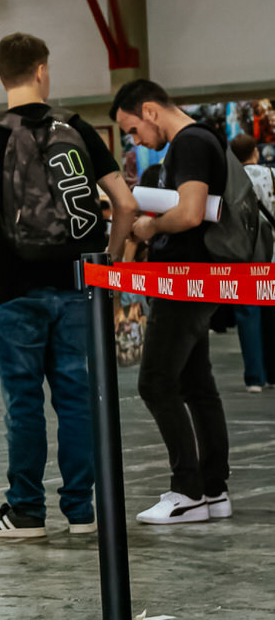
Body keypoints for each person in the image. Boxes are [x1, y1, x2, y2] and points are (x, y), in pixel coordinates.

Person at [0, 33, 135, 541]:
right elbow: (126, 205)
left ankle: (26, 512)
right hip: (79, 282)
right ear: (42, 70)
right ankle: (82, 511)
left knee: (23, 402)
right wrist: (107, 261)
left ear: (1, 75)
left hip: (13, 289)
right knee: (77, 397)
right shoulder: (78, 128)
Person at [111, 79, 235, 523]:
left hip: (185, 281)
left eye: (132, 129)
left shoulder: (190, 143)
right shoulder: (200, 140)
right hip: (194, 280)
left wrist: (151, 226)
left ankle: (188, 490)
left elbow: (190, 211)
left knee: (156, 382)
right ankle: (213, 489)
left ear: (150, 111)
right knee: (196, 383)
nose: (135, 140)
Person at [231, 133, 275, 392]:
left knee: (248, 314)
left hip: (243, 255)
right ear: (256, 152)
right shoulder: (272, 175)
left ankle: (254, 377)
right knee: (272, 314)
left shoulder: (231, 179)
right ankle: (273, 373)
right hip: (272, 254)